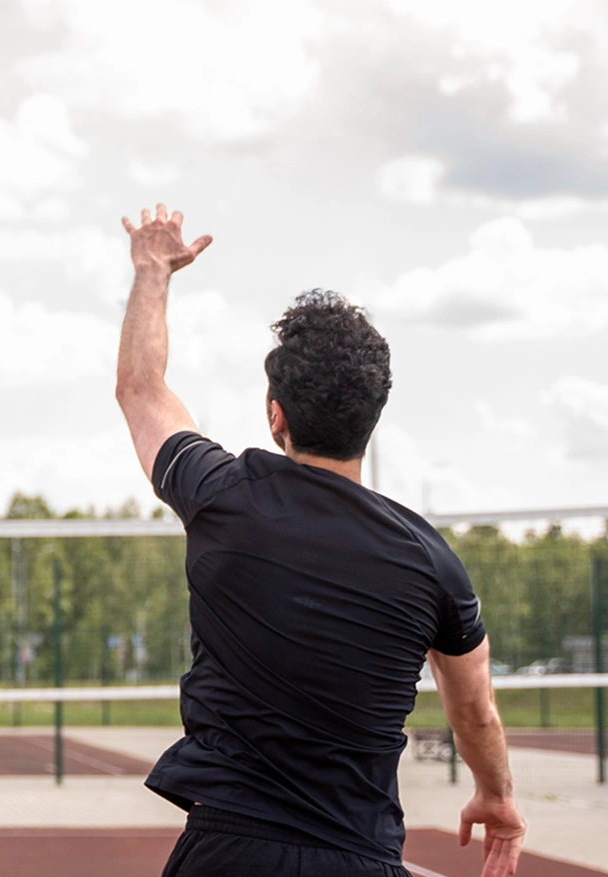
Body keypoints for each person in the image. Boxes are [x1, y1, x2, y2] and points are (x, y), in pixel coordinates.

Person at [114, 204, 526, 877]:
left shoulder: (221, 492)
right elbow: (475, 709)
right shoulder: (431, 561)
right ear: (373, 417)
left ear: (275, 414)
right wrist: (498, 795)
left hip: (228, 854)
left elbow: (140, 389)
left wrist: (153, 271)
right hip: (358, 858)